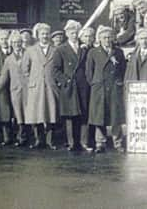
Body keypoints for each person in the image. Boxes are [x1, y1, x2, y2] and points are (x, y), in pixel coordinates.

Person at [86, 26, 127, 153]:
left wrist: (119, 83)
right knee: (99, 116)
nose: (107, 40)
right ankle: (100, 142)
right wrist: (95, 83)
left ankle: (118, 142)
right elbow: (89, 71)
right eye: (104, 37)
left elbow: (123, 70)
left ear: (113, 38)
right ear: (99, 39)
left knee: (115, 117)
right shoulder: (93, 52)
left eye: (109, 37)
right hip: (99, 88)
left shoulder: (118, 52)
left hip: (114, 87)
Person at [51, 20, 90, 152]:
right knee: (70, 115)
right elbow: (55, 70)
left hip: (83, 86)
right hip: (69, 87)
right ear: (67, 33)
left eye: (76, 32)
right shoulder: (60, 49)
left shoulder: (84, 48)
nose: (74, 34)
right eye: (71, 32)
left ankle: (83, 142)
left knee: (83, 114)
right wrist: (65, 81)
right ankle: (72, 142)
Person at [23, 23, 59, 149]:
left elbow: (58, 68)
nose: (45, 36)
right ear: (37, 35)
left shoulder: (55, 50)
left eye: (47, 34)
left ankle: (50, 141)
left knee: (51, 113)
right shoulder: (30, 50)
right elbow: (25, 69)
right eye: (42, 34)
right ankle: (39, 140)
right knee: (37, 114)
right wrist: (32, 81)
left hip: (50, 85)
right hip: (36, 87)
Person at [0, 30, 28, 147]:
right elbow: (3, 76)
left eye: (19, 42)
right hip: (15, 89)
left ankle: (23, 137)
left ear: (22, 43)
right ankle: (18, 137)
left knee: (25, 113)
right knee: (17, 114)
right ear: (11, 43)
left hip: (27, 89)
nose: (17, 44)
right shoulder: (9, 59)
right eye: (15, 42)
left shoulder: (28, 54)